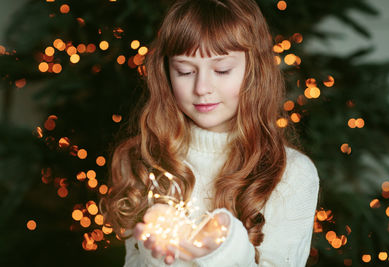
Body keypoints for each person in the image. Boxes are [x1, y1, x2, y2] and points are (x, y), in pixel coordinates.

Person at [102, 0, 320, 266]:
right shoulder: (143, 159)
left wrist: (219, 247)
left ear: (254, 70)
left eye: (221, 70)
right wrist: (158, 252)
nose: (202, 87)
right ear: (166, 72)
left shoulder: (291, 173)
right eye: (185, 71)